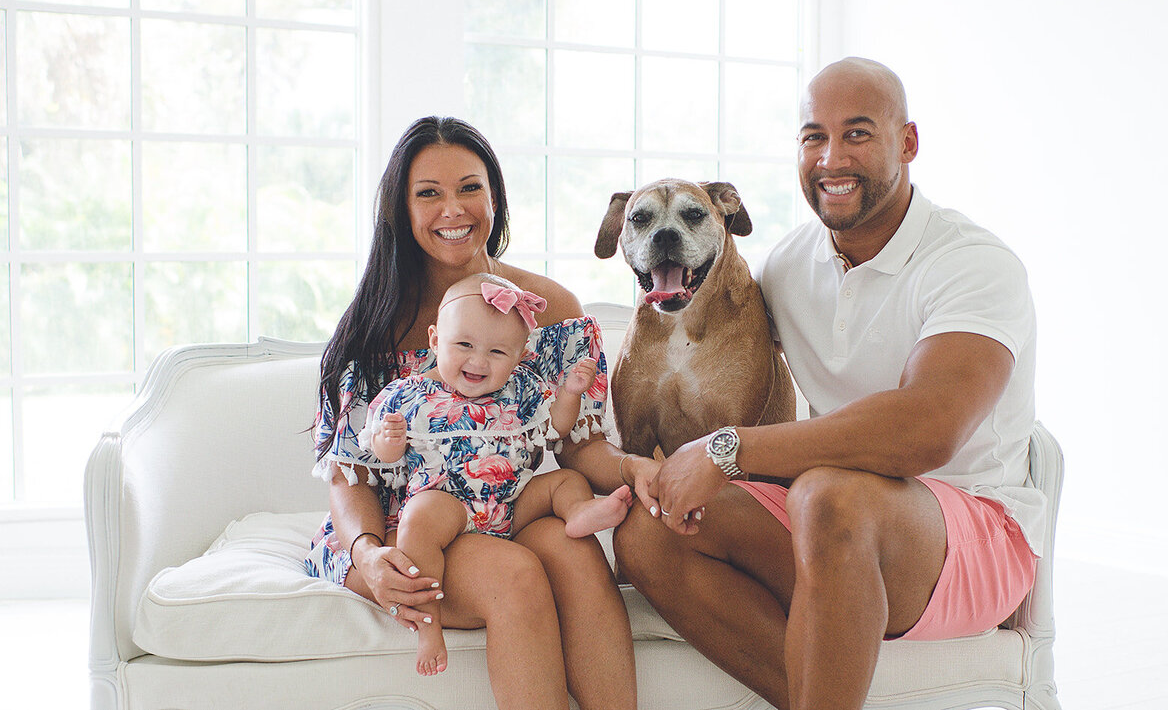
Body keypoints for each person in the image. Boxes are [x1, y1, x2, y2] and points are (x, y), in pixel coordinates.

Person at [613, 58, 1044, 710]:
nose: (831, 157)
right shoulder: (789, 266)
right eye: (814, 136)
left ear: (908, 143)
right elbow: (715, 339)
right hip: (834, 527)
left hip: (974, 529)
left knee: (828, 492)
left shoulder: (972, 263)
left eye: (858, 133)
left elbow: (925, 430)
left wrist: (730, 448)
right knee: (653, 528)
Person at [303, 116, 641, 710]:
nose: (452, 209)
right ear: (401, 210)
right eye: (428, 193)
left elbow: (577, 442)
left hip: (503, 500)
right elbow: (347, 471)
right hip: (403, 526)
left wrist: (635, 470)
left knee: (576, 556)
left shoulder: (550, 309)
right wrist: (369, 553)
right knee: (514, 574)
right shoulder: (377, 323)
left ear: (495, 197)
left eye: (469, 188)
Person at [363, 271, 634, 676]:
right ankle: (428, 621)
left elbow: (557, 429)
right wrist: (389, 438)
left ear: (520, 353)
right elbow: (379, 455)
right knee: (416, 521)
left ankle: (578, 512)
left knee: (565, 481)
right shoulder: (409, 393)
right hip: (448, 504)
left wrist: (571, 392)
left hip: (511, 504)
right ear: (435, 340)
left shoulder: (522, 388)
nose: (477, 361)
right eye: (464, 345)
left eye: (496, 352)